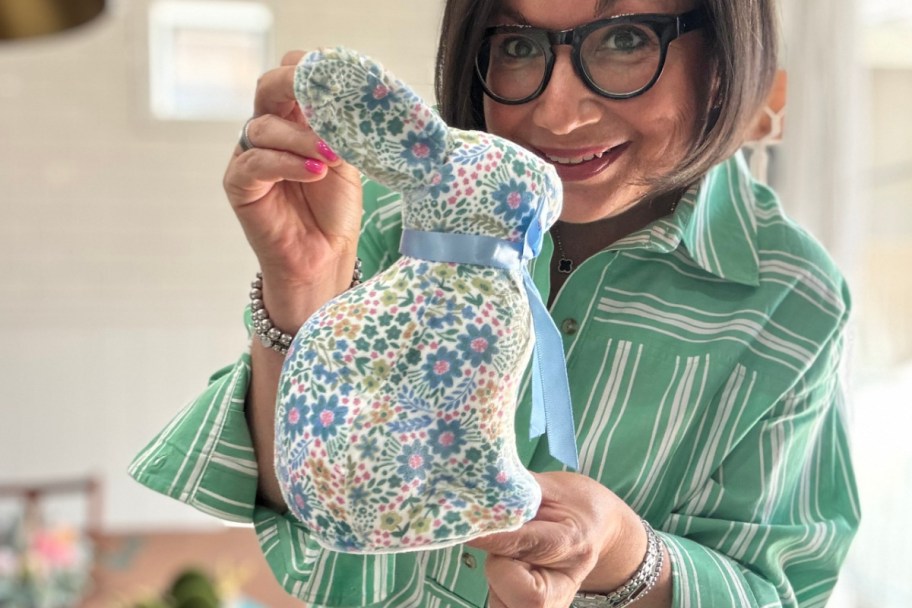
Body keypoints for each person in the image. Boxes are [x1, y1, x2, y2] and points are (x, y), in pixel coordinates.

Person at [129, 0, 860, 606]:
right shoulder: (393, 221)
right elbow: (317, 547)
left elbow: (781, 589)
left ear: (728, 51)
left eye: (625, 40)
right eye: (515, 44)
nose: (559, 112)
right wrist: (301, 284)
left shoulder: (789, 300)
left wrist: (621, 554)